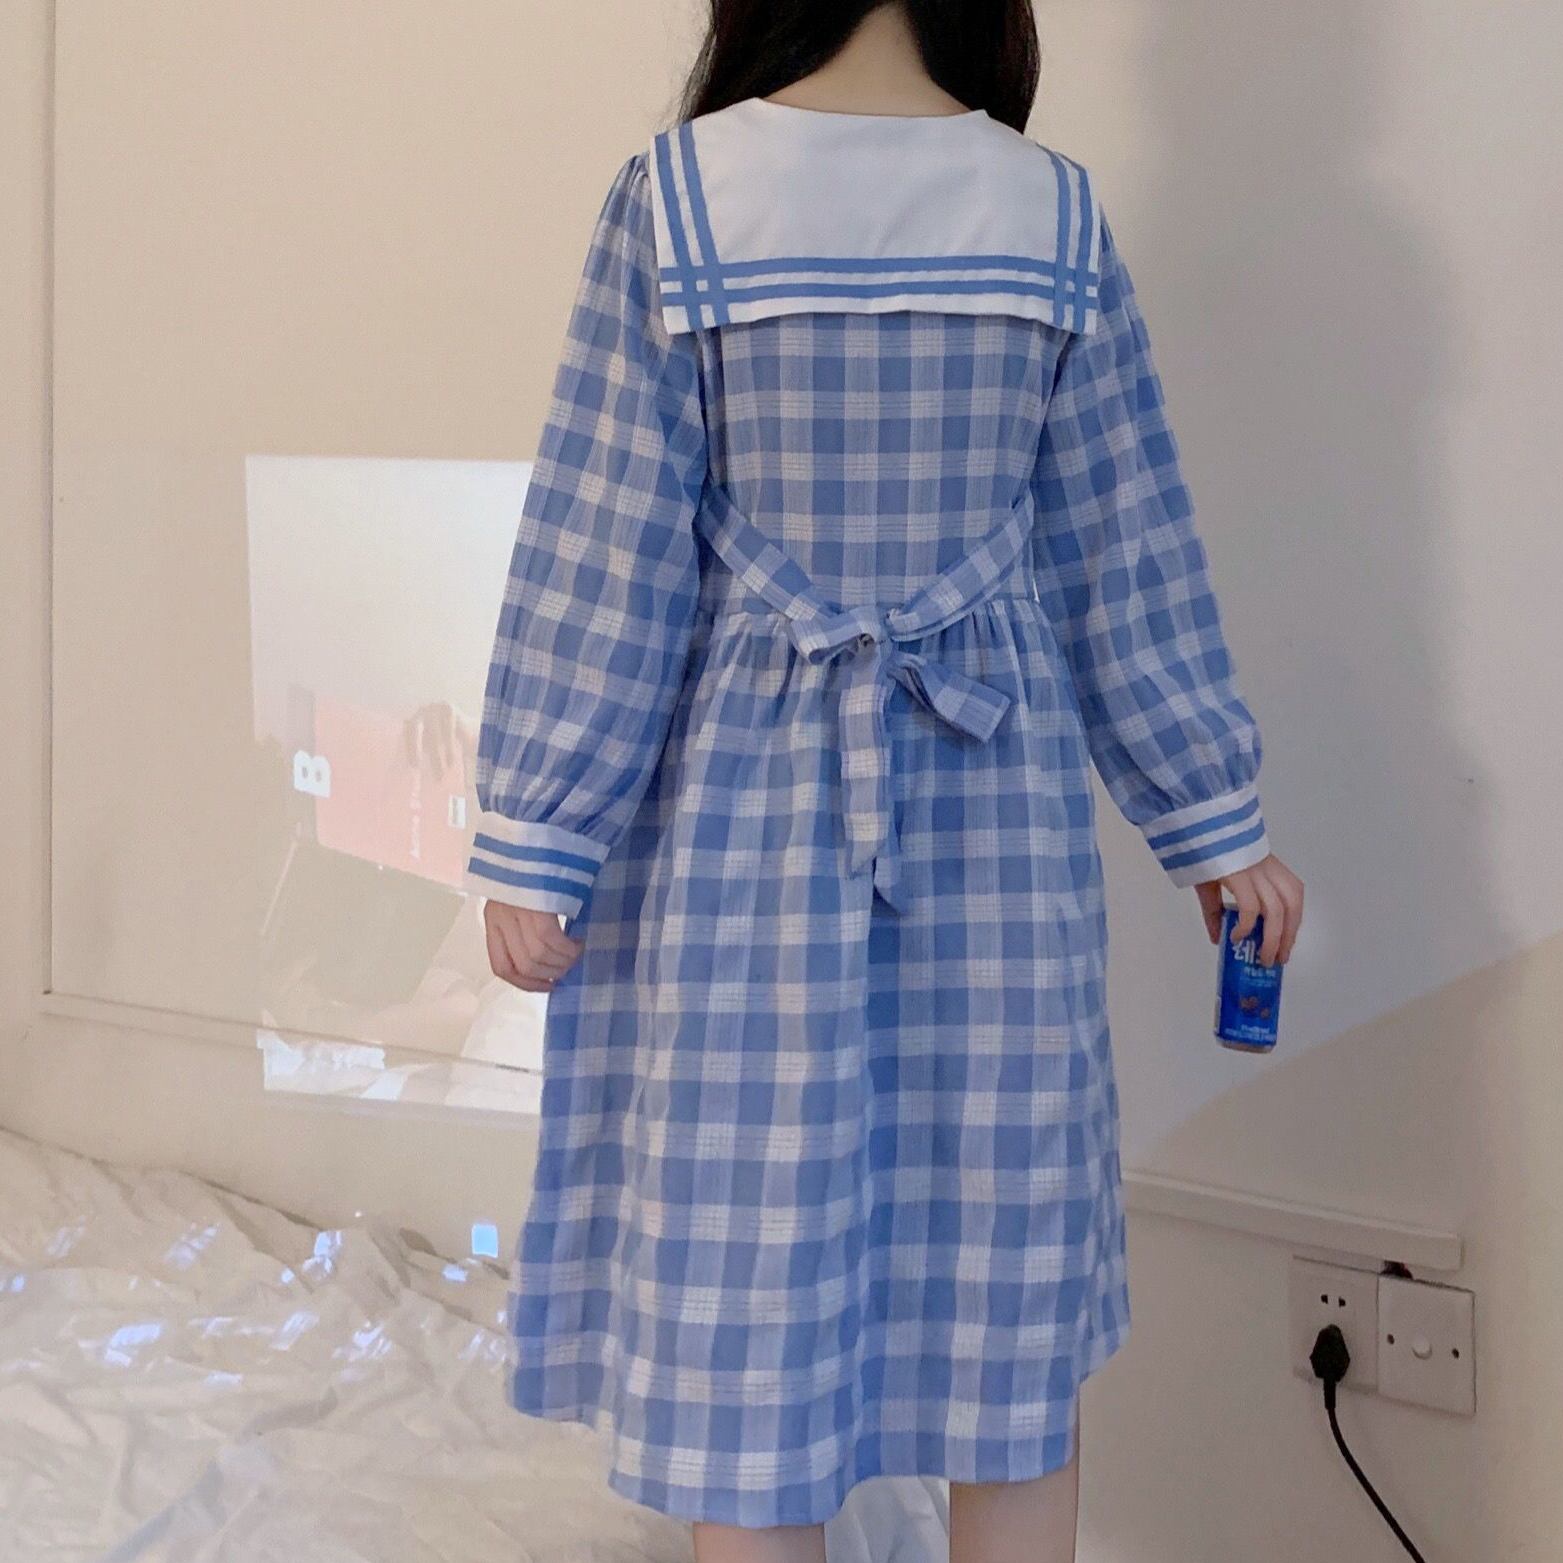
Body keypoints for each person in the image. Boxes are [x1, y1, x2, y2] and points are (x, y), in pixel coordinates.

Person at [465, 3, 1304, 1558]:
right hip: (999, 819)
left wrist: (542, 830)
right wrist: (1213, 819)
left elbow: (607, 545)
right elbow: (1124, 554)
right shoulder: (1047, 214)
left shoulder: (682, 200)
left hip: (741, 823)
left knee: (744, 1298)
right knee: (1006, 1297)